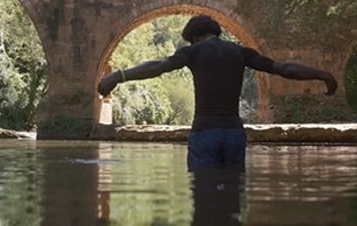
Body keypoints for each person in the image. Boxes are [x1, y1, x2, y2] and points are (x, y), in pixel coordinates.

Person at [97, 15, 337, 170]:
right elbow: (283, 69)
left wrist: (119, 75)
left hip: (205, 132)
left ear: (194, 37)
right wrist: (322, 75)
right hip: (234, 133)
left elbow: (158, 67)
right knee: (231, 196)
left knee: (205, 197)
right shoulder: (241, 52)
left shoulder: (193, 52)